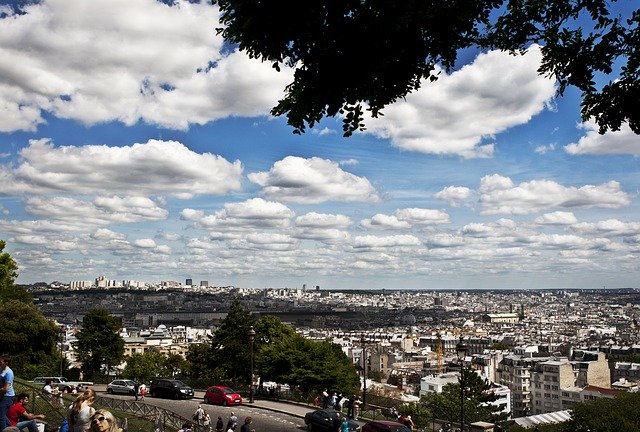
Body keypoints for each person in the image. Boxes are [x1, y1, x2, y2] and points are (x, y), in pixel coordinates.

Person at [0, 355, 16, 431]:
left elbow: (6, 389)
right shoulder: (1, 369)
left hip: (8, 396)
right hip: (2, 395)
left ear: (6, 363)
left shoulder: (9, 372)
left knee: (1, 416)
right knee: (1, 414)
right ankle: (11, 428)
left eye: (1, 362)